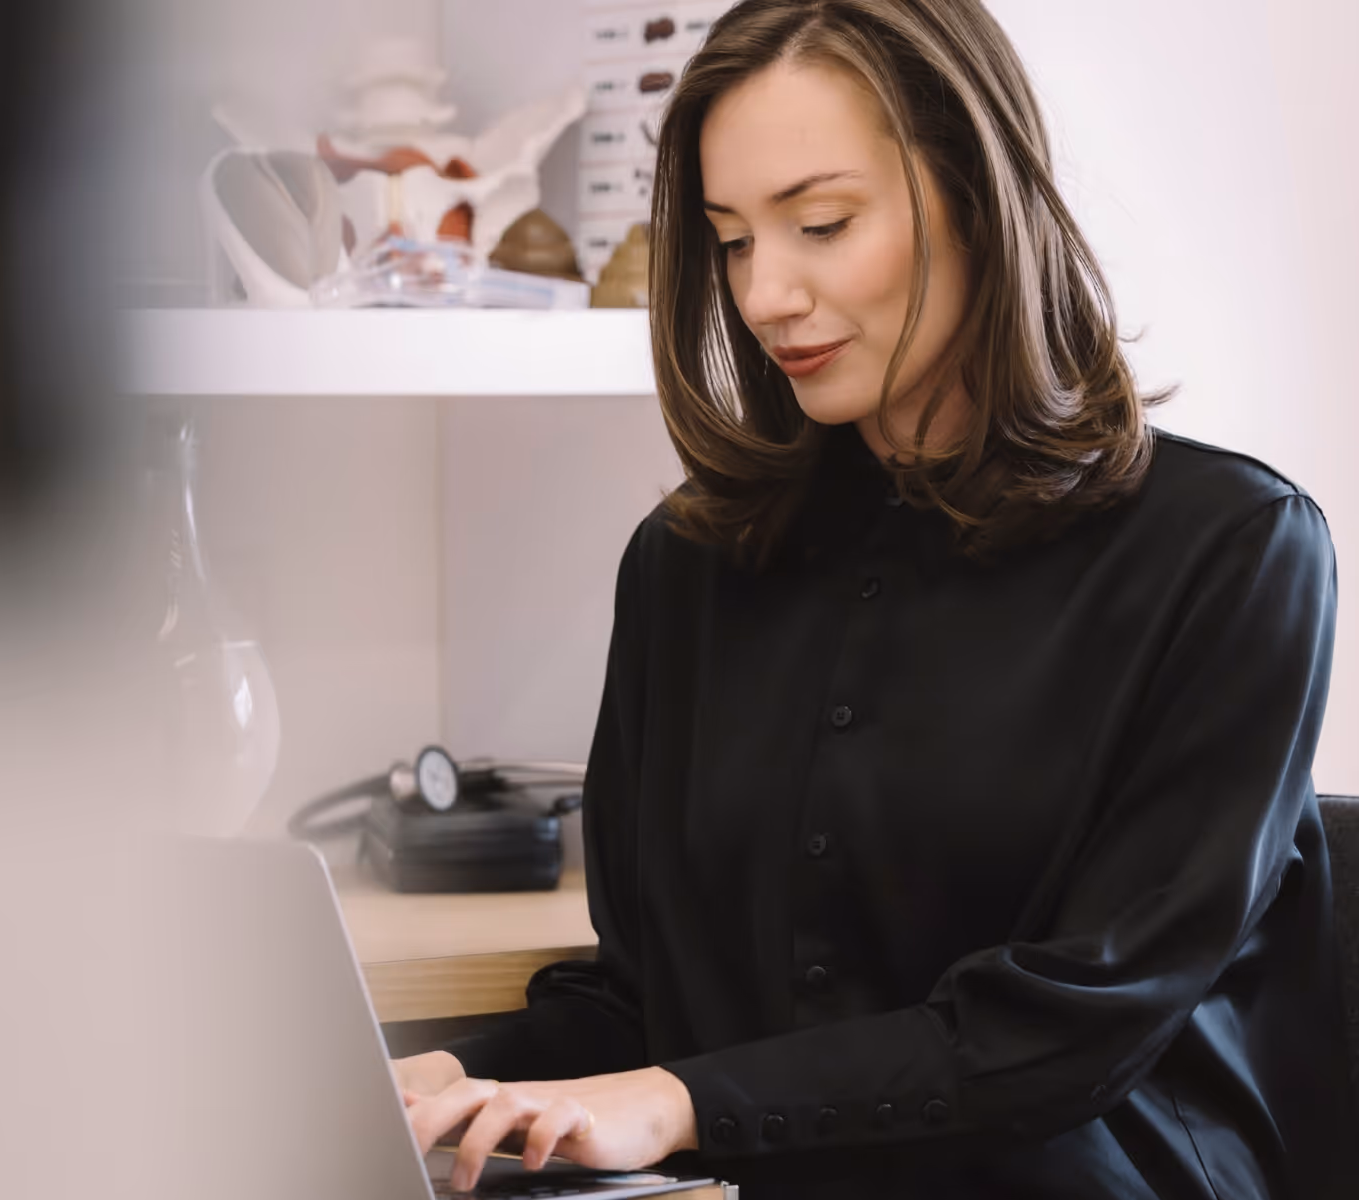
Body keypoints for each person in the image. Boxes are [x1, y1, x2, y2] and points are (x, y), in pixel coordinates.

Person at [395, 1, 1357, 1196]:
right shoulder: (684, 565)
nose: (764, 295)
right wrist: (453, 1075)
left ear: (975, 195)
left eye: (820, 223)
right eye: (733, 239)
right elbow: (645, 1013)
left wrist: (680, 1102)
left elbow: (1065, 1034)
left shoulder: (1236, 552)